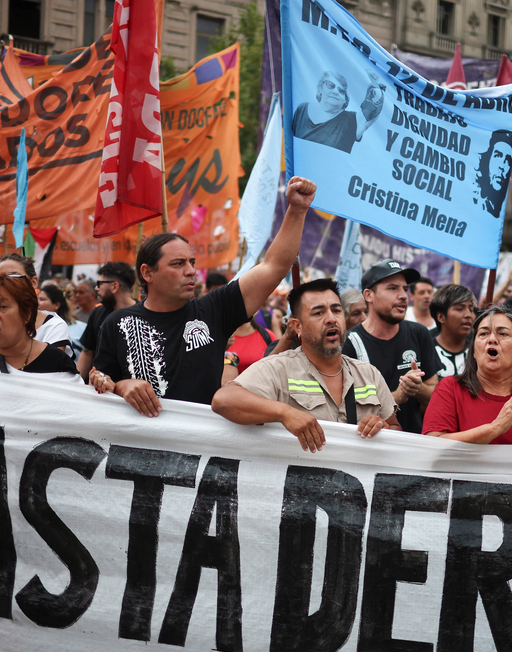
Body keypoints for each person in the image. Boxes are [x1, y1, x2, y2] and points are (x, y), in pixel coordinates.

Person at [90, 176, 317, 416]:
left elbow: (274, 266)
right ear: (147, 273)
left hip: (201, 447)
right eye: (178, 264)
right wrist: (123, 385)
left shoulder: (215, 309)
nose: (190, 271)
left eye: (191, 262)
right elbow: (100, 383)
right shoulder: (116, 323)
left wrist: (297, 209)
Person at [213, 279, 400, 452]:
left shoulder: (369, 374)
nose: (331, 319)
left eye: (336, 310)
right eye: (318, 313)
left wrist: (382, 429)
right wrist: (285, 413)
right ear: (297, 326)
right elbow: (223, 401)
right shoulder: (278, 368)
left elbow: (395, 428)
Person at [423, 306, 512, 444]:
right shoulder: (450, 389)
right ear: (473, 350)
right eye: (483, 333)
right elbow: (433, 446)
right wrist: (494, 428)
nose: (492, 339)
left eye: (503, 333)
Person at [342, 259, 442, 433]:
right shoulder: (350, 343)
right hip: (368, 448)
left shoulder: (419, 333)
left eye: (405, 289)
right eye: (393, 288)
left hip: (412, 445)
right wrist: (397, 396)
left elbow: (437, 398)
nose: (403, 295)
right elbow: (347, 409)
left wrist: (418, 389)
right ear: (368, 295)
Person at [0, 254, 73, 354]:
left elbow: (52, 367)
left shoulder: (53, 327)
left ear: (33, 282)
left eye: (14, 276)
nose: (5, 283)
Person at [291, 71, 386, 154]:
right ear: (320, 88)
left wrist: (375, 84)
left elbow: (373, 108)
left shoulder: (352, 121)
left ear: (345, 100)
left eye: (341, 91)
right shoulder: (302, 108)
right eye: (330, 85)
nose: (335, 91)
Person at [76, 262, 137, 380]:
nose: (96, 288)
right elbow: (88, 351)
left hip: (130, 392)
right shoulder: (98, 312)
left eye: (99, 283)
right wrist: (76, 384)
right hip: (99, 389)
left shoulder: (143, 315)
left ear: (114, 286)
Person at [430, 284, 476, 379]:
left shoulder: (479, 350)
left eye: (471, 310)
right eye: (460, 309)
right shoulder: (425, 350)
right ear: (441, 317)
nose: (469, 315)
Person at [472, 130, 512, 218]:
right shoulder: (472, 199)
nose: (502, 166)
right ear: (488, 159)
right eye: (498, 156)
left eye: (508, 160)